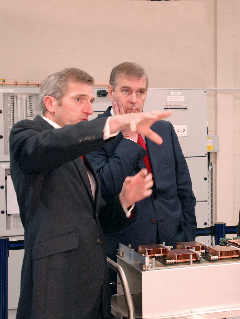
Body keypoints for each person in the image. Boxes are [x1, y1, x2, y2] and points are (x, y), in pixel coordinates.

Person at [9, 67, 172, 319]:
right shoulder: (27, 134)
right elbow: (48, 146)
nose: (88, 109)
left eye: (91, 101)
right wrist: (115, 123)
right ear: (50, 103)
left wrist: (124, 201)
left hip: (91, 285)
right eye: (79, 100)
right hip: (57, 286)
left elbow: (96, 224)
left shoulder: (78, 154)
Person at [87, 62, 197, 288]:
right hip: (124, 253)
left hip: (173, 249)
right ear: (110, 91)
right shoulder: (95, 134)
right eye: (126, 91)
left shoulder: (163, 129)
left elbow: (184, 190)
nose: (134, 100)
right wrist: (129, 138)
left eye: (141, 92)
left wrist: (187, 238)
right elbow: (106, 187)